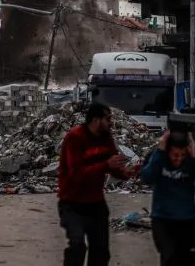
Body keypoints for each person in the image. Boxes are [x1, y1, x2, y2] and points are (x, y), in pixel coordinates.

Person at [57, 102, 137, 266]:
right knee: (77, 246)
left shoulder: (106, 138)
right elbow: (76, 174)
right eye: (108, 119)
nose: (111, 122)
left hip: (95, 202)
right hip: (72, 203)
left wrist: (125, 173)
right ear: (96, 120)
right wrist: (106, 165)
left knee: (100, 251)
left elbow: (113, 166)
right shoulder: (75, 138)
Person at [141, 129, 195, 266]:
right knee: (170, 257)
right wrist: (160, 152)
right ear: (168, 152)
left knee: (190, 259)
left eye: (182, 155)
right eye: (175, 155)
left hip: (187, 220)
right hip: (163, 220)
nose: (179, 159)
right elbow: (147, 177)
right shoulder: (159, 159)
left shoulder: (191, 162)